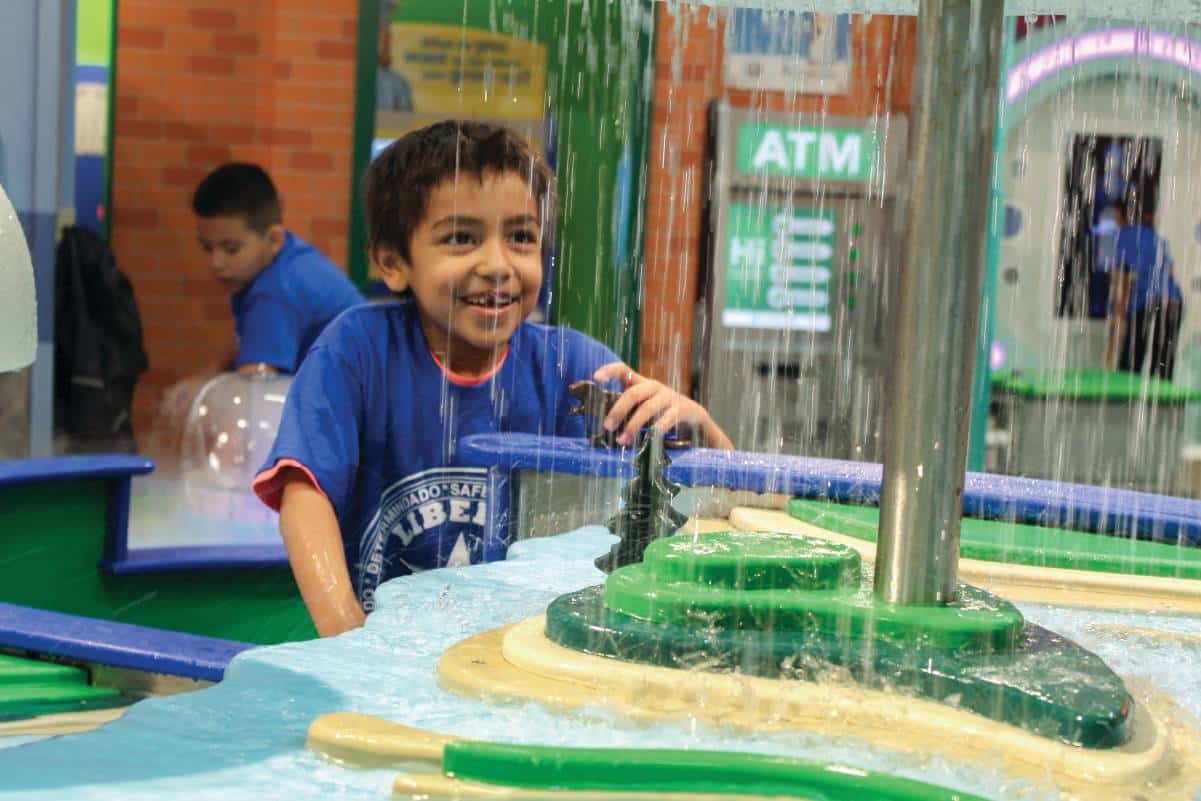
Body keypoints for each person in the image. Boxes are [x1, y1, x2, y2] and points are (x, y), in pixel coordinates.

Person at [252, 121, 732, 637]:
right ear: (393, 262)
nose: (498, 265)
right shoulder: (358, 350)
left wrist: (705, 437)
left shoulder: (576, 369)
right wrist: (347, 636)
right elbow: (306, 492)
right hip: (384, 647)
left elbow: (715, 512)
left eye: (521, 237)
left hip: (529, 655)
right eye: (461, 238)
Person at [159, 164, 365, 425]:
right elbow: (246, 340)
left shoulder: (275, 291)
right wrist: (207, 376)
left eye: (231, 249)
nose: (216, 263)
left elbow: (250, 400)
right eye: (207, 248)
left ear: (274, 239)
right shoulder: (287, 259)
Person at [1112, 202, 1183, 379]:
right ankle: (1163, 402)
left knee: (1130, 360)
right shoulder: (1157, 238)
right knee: (1164, 361)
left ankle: (1123, 401)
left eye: (1115, 216)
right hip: (1174, 300)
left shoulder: (1124, 236)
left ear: (1123, 216)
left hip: (1148, 300)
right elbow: (1170, 272)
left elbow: (1121, 279)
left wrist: (1119, 312)